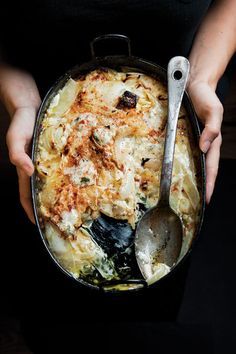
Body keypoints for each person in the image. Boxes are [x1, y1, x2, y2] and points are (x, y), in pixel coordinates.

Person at [0, 0, 235, 352]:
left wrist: (203, 78)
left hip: (179, 91)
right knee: (43, 296)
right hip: (41, 119)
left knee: (157, 298)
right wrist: (21, 103)